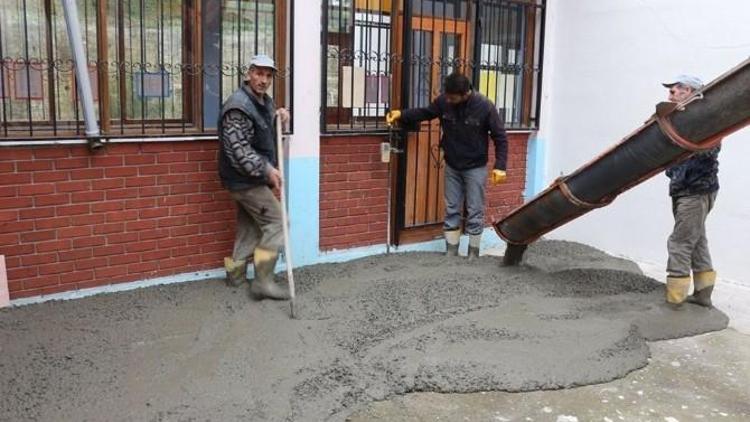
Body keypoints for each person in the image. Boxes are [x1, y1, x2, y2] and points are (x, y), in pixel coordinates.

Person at [386, 73, 508, 259]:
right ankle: (451, 251)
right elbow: (426, 113)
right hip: (452, 164)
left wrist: (500, 165)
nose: (448, 99)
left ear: (465, 93)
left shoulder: (484, 106)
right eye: (447, 95)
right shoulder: (444, 102)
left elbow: (500, 137)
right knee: (451, 207)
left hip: (475, 167)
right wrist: (402, 114)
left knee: (475, 209)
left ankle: (473, 253)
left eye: (452, 97)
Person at [218, 55, 291, 300]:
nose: (263, 80)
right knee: (278, 223)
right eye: (259, 74)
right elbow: (239, 150)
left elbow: (262, 126)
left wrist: (278, 115)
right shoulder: (238, 106)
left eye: (268, 76)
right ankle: (262, 282)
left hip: (248, 179)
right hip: (244, 180)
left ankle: (235, 276)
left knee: (250, 227)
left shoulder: (261, 101)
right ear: (249, 74)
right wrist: (267, 170)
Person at [662, 74, 720, 308]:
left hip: (695, 192)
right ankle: (703, 295)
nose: (670, 95)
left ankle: (674, 301)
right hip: (685, 190)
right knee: (697, 241)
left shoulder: (706, 120)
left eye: (675, 90)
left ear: (689, 91)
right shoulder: (679, 121)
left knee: (680, 242)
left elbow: (705, 151)